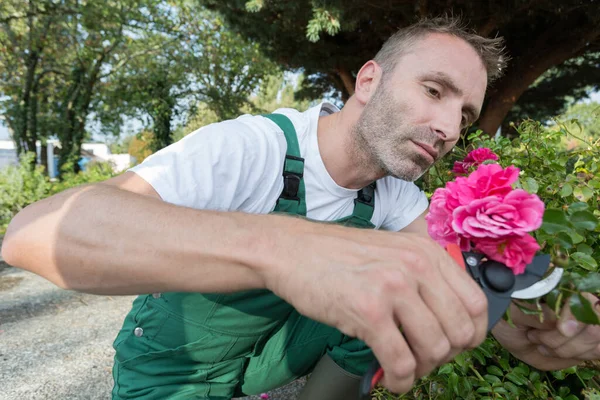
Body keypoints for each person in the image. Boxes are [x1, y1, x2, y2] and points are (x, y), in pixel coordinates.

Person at [2, 16, 599, 400]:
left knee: (412, 273)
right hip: (171, 372)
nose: (447, 127)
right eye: (434, 90)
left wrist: (540, 327)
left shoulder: (396, 195)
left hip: (262, 366)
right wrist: (285, 245)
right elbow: (35, 233)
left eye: (463, 115)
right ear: (368, 81)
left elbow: (472, 283)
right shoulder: (251, 146)